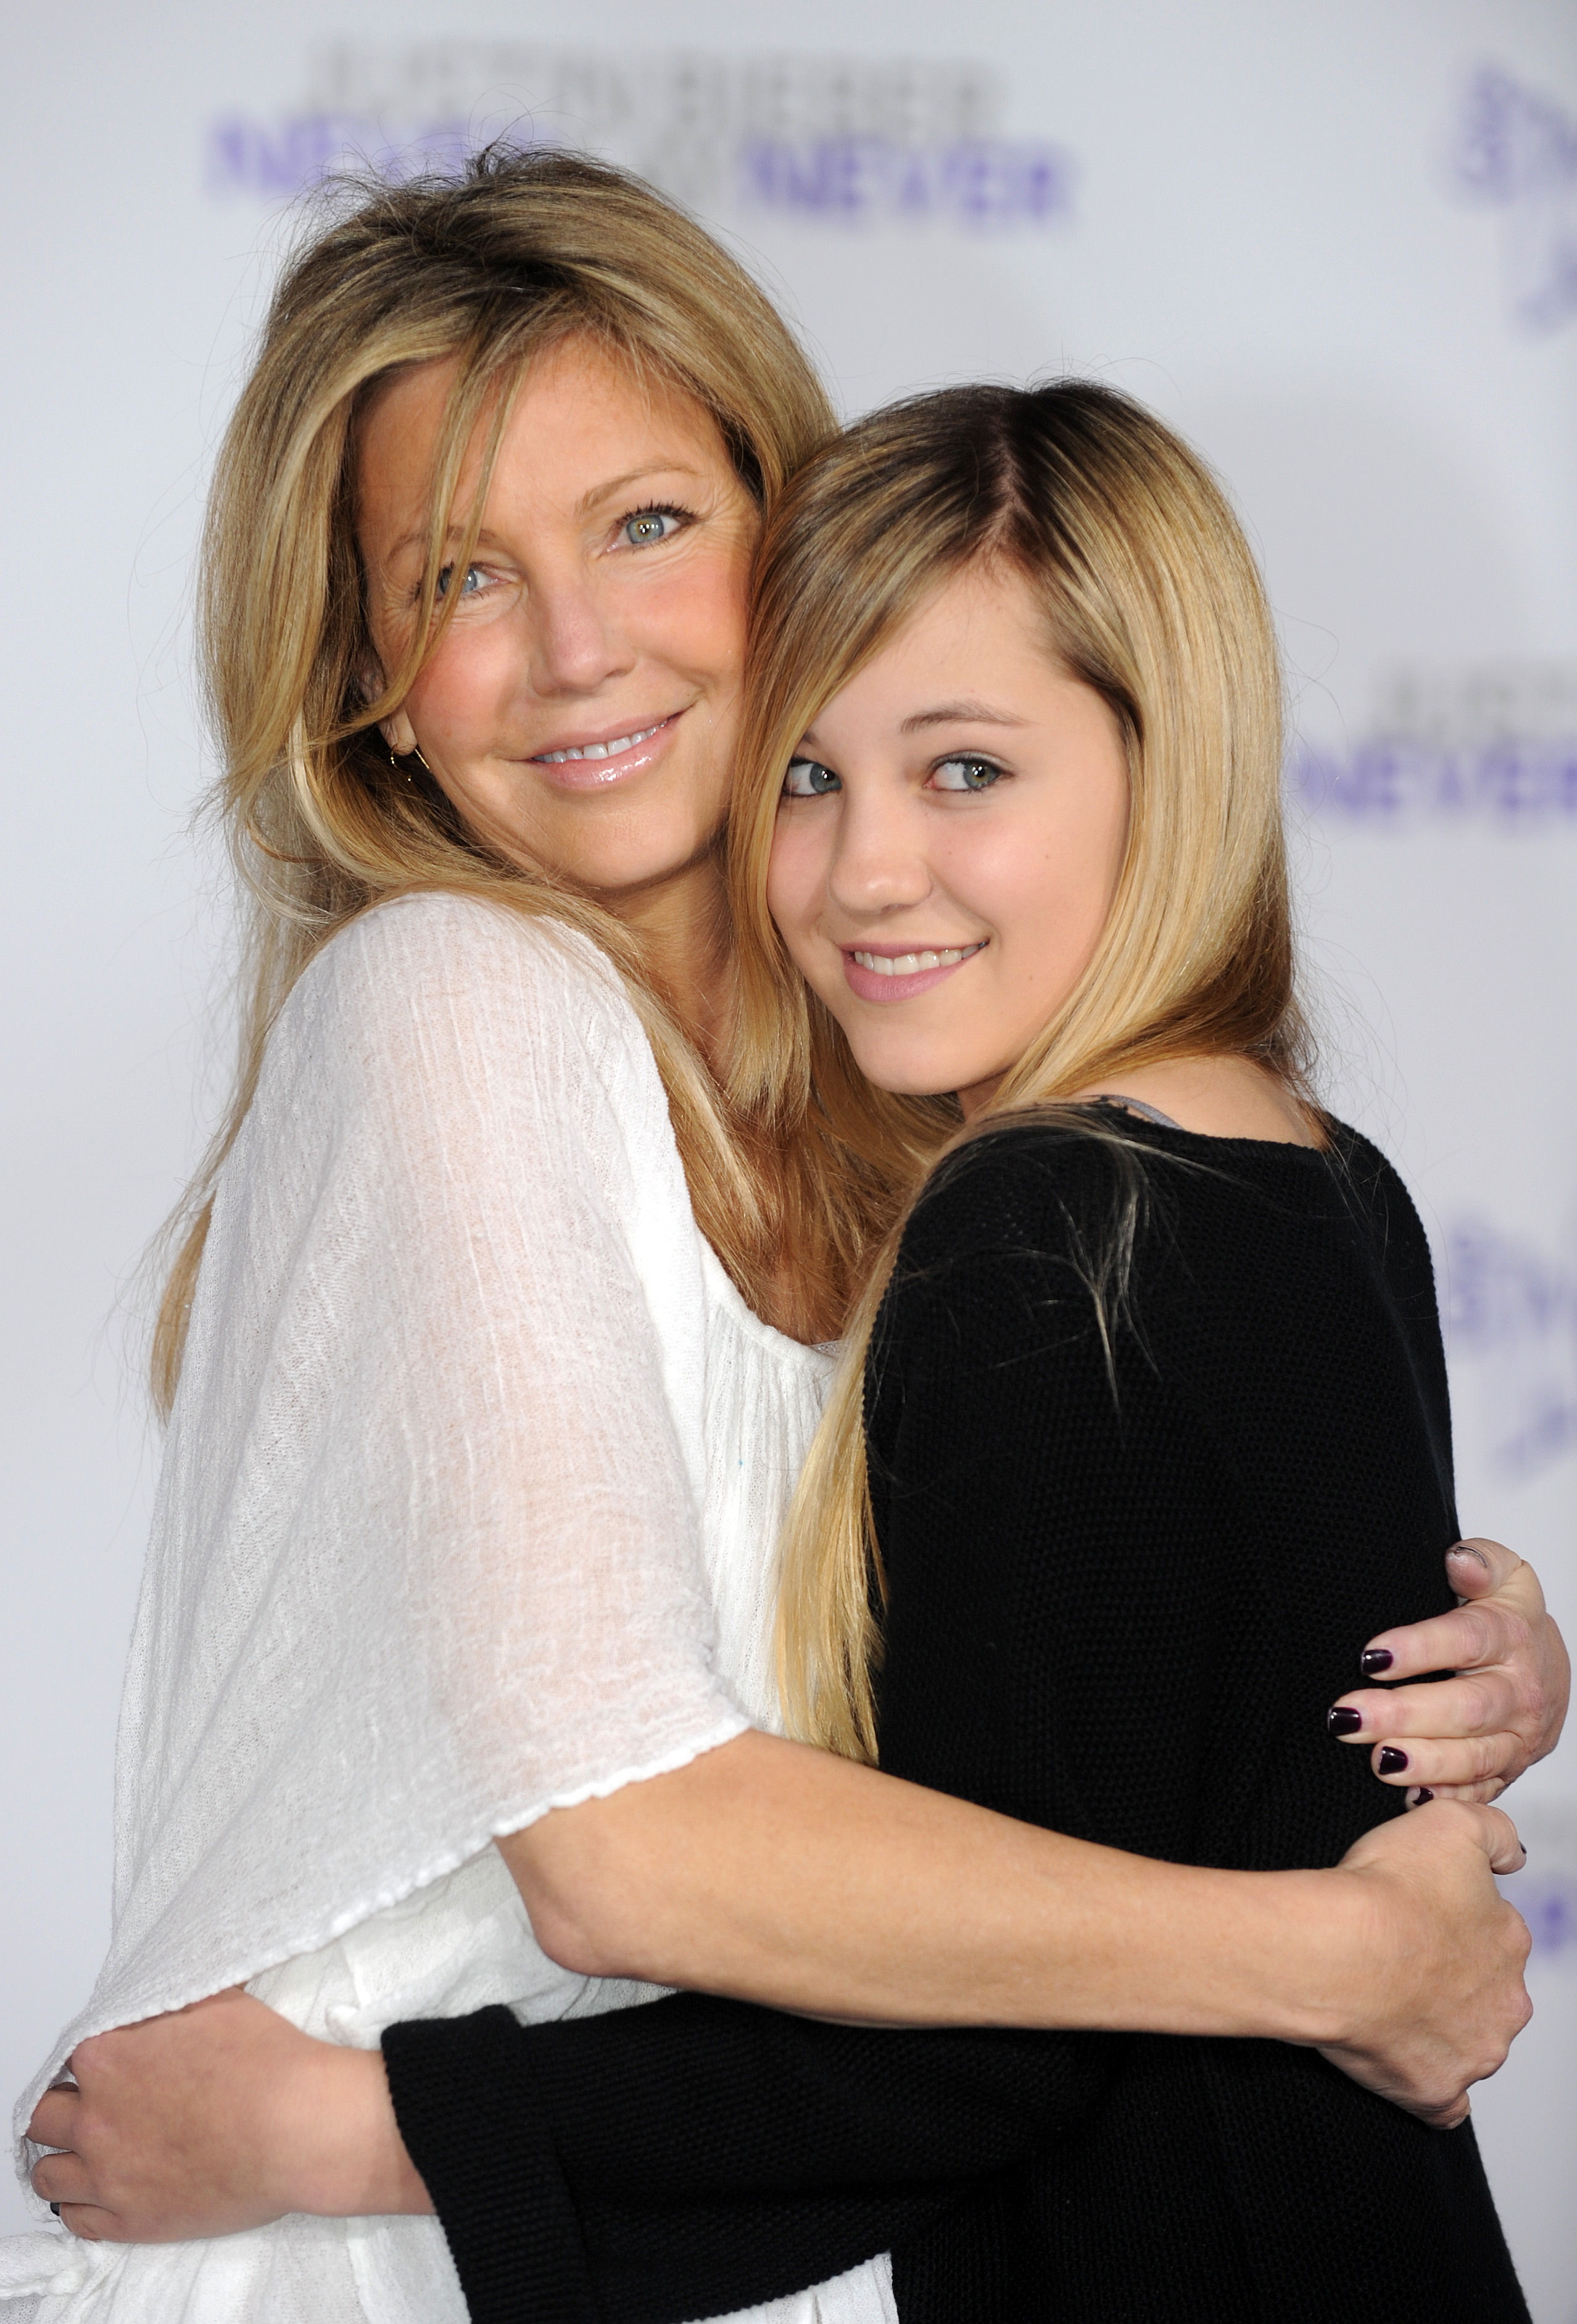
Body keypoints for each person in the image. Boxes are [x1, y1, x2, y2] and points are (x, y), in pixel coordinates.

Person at [15, 162, 1558, 2317]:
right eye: (460, 575)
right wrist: (1327, 1947)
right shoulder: (455, 996)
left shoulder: (954, 1131)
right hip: (393, 2243)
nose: (575, 652)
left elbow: (1047, 1737)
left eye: (646, 524)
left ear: (794, 532)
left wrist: (1420, 1662)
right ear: (365, 668)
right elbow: (626, 1847)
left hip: (735, 2222)